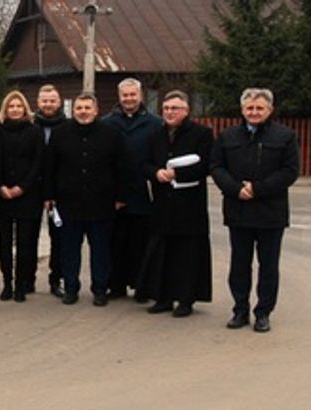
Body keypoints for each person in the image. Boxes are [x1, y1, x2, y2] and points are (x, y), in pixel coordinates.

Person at [210, 87, 300, 333]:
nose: (254, 112)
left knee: (268, 266)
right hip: (238, 211)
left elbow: (290, 171)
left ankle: (263, 312)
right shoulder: (228, 136)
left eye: (259, 108)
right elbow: (216, 167)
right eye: (250, 108)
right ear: (242, 110)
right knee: (239, 264)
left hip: (271, 213)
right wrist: (235, 188)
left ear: (269, 110)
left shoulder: (285, 136)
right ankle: (240, 310)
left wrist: (257, 189)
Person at [43, 92, 125, 306]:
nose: (83, 112)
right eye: (79, 108)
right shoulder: (60, 133)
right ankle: (71, 288)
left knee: (101, 250)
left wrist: (120, 196)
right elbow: (50, 167)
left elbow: (121, 168)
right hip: (68, 203)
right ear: (73, 110)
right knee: (69, 250)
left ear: (96, 110)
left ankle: (100, 289)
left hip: (102, 203)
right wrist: (49, 195)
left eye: (88, 108)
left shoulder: (111, 134)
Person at [138, 90, 214, 317]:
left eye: (175, 108)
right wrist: (156, 173)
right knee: (162, 253)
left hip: (190, 207)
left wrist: (177, 175)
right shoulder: (155, 135)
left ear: (186, 110)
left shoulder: (202, 134)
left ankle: (186, 300)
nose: (170, 112)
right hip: (162, 205)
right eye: (166, 109)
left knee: (188, 256)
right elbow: (144, 164)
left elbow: (206, 165)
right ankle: (163, 297)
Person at [100, 78, 162, 300]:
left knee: (141, 243)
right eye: (125, 95)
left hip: (143, 192)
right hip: (114, 194)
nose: (128, 99)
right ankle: (115, 285)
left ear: (140, 95)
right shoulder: (107, 123)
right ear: (119, 97)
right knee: (115, 243)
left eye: (132, 95)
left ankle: (141, 285)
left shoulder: (155, 123)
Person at [0, 90, 43, 302]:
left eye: (18, 106)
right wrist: (0, 186)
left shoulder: (34, 131)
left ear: (25, 109)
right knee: (4, 242)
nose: (14, 110)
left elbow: (38, 162)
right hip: (3, 194)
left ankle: (21, 285)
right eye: (11, 106)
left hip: (27, 195)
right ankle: (7, 283)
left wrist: (22, 187)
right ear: (6, 109)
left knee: (25, 243)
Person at [34, 84, 67, 297]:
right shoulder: (30, 125)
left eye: (52, 100)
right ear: (38, 103)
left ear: (59, 102)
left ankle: (56, 279)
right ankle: (27, 279)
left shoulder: (68, 127)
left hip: (58, 189)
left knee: (59, 237)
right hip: (31, 187)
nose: (48, 104)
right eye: (44, 101)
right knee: (29, 236)